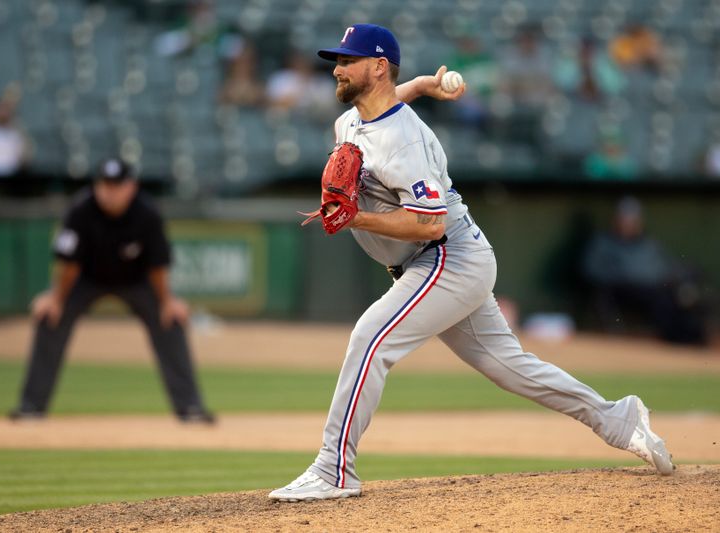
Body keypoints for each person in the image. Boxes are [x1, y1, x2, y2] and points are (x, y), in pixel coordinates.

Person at [268, 24, 673, 503]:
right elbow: (386, 104)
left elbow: (430, 224)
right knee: (512, 369)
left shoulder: (407, 142)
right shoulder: (352, 120)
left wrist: (360, 219)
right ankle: (619, 418)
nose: (336, 69)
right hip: (438, 261)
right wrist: (420, 85)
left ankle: (334, 469)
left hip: (447, 256)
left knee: (371, 337)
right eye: (336, 60)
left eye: (347, 60)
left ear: (377, 67)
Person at [9, 158, 214, 423]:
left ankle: (190, 408)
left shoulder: (147, 213)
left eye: (117, 185)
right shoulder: (81, 209)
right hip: (86, 278)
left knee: (171, 319)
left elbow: (157, 267)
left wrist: (167, 302)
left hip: (136, 280)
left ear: (132, 187)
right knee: (50, 316)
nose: (110, 191)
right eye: (105, 185)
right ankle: (31, 407)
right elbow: (68, 264)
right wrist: (55, 298)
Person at [582, 196, 708, 346]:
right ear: (616, 220)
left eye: (632, 220)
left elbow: (666, 268)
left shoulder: (649, 244)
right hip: (621, 290)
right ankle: (675, 339)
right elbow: (590, 269)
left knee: (679, 295)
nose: (628, 224)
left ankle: (690, 337)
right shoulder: (603, 242)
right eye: (625, 219)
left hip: (654, 290)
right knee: (661, 299)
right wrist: (621, 277)